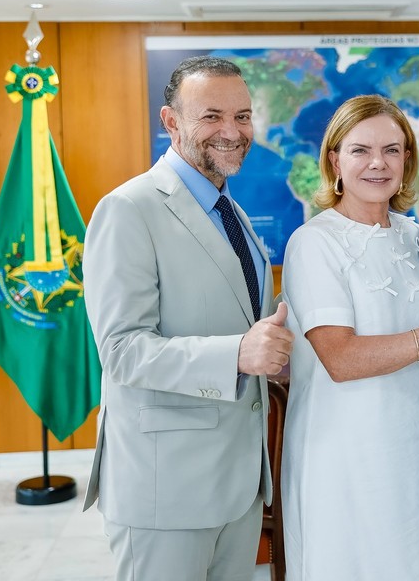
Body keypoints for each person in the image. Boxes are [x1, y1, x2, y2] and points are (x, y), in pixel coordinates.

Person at [82, 55, 294, 581]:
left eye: (242, 116)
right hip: (166, 489)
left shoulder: (231, 211)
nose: (232, 131)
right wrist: (238, 354)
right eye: (212, 116)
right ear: (171, 121)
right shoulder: (128, 209)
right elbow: (122, 351)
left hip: (240, 484)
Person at [280, 94, 419, 580]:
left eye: (392, 150)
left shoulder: (413, 236)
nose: (377, 163)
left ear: (407, 159)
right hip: (339, 453)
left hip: (404, 446)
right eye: (360, 150)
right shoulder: (314, 242)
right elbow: (341, 359)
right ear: (334, 160)